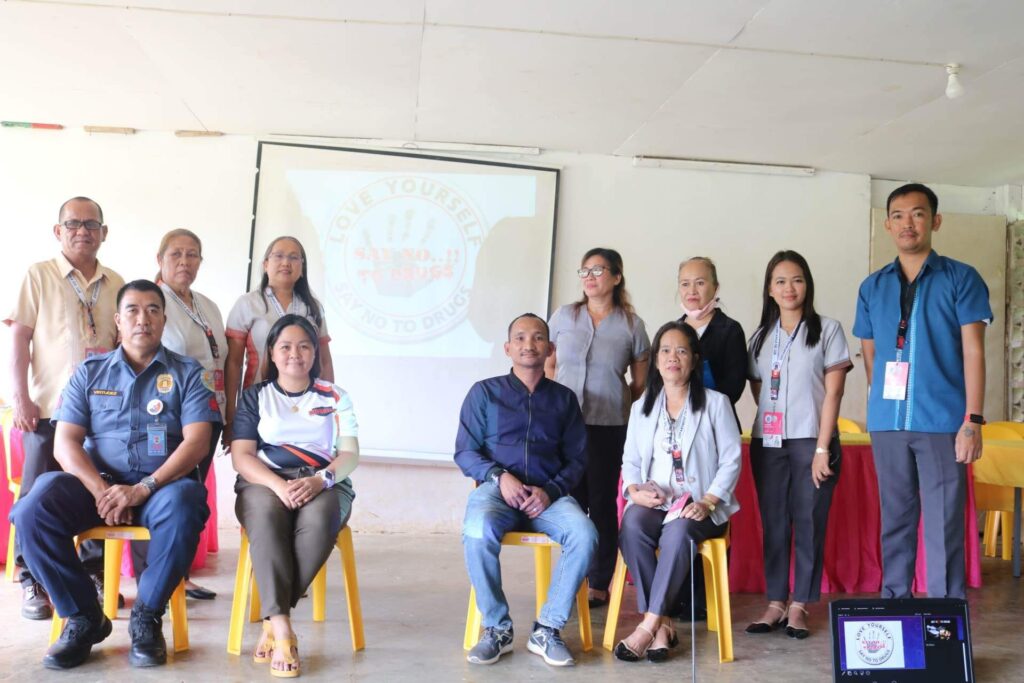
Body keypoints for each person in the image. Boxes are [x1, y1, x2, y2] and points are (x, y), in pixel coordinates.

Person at [9, 280, 220, 670]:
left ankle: (147, 617)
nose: (144, 319)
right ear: (118, 321)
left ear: (163, 319)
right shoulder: (90, 373)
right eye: (134, 311)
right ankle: (84, 616)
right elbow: (65, 443)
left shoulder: (188, 373)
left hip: (160, 488)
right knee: (32, 509)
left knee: (188, 502)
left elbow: (197, 442)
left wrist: (142, 489)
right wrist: (104, 491)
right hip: (98, 486)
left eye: (153, 310)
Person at [854, 183, 991, 599]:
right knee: (894, 519)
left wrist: (972, 420)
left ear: (935, 220)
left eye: (917, 213)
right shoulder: (872, 286)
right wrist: (885, 407)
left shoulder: (960, 278)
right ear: (887, 225)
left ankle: (944, 620)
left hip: (943, 423)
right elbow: (871, 354)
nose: (907, 223)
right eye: (898, 215)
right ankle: (895, 607)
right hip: (888, 425)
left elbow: (974, 351)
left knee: (944, 521)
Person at [4, 196, 125, 620]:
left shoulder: (116, 281)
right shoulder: (39, 276)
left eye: (92, 224)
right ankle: (31, 578)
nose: (82, 231)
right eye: (73, 224)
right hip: (49, 410)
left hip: (103, 415)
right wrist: (20, 397)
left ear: (104, 233)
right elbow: (18, 338)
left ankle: (92, 569)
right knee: (38, 497)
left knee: (98, 486)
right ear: (58, 232)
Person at [457, 313, 597, 667]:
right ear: (507, 348)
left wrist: (551, 490)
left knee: (584, 533)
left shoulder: (564, 400)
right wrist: (499, 477)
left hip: (548, 497)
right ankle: (496, 628)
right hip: (497, 493)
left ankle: (547, 629)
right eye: (520, 338)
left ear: (549, 349)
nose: (528, 344)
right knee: (477, 528)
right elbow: (465, 451)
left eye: (537, 338)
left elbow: (578, 459)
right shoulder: (484, 393)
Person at [232, 314, 358, 679]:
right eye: (285, 346)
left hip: (323, 481)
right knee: (267, 520)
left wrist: (321, 481)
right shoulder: (256, 396)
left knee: (321, 523)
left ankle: (274, 619)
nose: (295, 354)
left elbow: (349, 454)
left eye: (304, 346)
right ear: (271, 352)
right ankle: (284, 627)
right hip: (264, 480)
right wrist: (276, 485)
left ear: (314, 353)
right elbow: (242, 455)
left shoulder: (335, 396)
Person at [615, 321, 741, 663]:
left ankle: (648, 625)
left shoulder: (716, 403)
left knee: (679, 531)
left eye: (682, 350)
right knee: (634, 527)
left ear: (695, 359)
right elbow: (630, 459)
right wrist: (633, 490)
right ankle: (664, 625)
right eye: (666, 350)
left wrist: (709, 500)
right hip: (657, 501)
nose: (673, 357)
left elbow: (732, 459)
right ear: (656, 360)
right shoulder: (643, 406)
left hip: (701, 506)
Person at [745, 251, 852, 639]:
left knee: (808, 522)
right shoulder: (759, 337)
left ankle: (800, 604)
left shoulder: (828, 329)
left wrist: (823, 448)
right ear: (769, 290)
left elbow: (834, 393)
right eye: (780, 281)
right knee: (774, 524)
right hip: (769, 443)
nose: (789, 288)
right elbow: (759, 387)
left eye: (797, 280)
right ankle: (775, 601)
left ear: (807, 284)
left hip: (813, 441)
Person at [546, 247, 649, 607]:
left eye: (598, 270)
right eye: (584, 270)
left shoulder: (632, 325)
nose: (589, 277)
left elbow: (639, 382)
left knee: (603, 503)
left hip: (609, 426)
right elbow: (549, 365)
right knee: (570, 502)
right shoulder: (563, 316)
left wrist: (618, 401)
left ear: (617, 277)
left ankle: (599, 580)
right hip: (565, 425)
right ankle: (570, 574)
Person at [137, 228, 227, 600]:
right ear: (160, 259)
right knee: (162, 493)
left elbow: (220, 358)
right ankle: (150, 580)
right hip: (167, 416)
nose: (185, 262)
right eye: (176, 254)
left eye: (193, 255)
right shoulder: (152, 302)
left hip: (208, 412)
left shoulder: (207, 304)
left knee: (190, 494)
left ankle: (179, 575)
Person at [674, 256, 747, 620]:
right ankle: (675, 594)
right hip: (676, 433)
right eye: (685, 283)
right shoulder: (672, 331)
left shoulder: (730, 330)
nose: (692, 291)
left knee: (710, 507)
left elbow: (734, 387)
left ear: (715, 288)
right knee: (677, 510)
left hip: (716, 432)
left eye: (700, 283)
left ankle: (707, 598)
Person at [224, 236, 334, 447]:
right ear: (265, 264)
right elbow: (233, 364)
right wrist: (231, 417)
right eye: (279, 256)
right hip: (258, 402)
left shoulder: (312, 307)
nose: (286, 262)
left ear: (302, 268)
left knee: (302, 468)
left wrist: (329, 410)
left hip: (306, 404)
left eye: (294, 257)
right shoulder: (247, 304)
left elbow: (325, 362)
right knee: (257, 467)